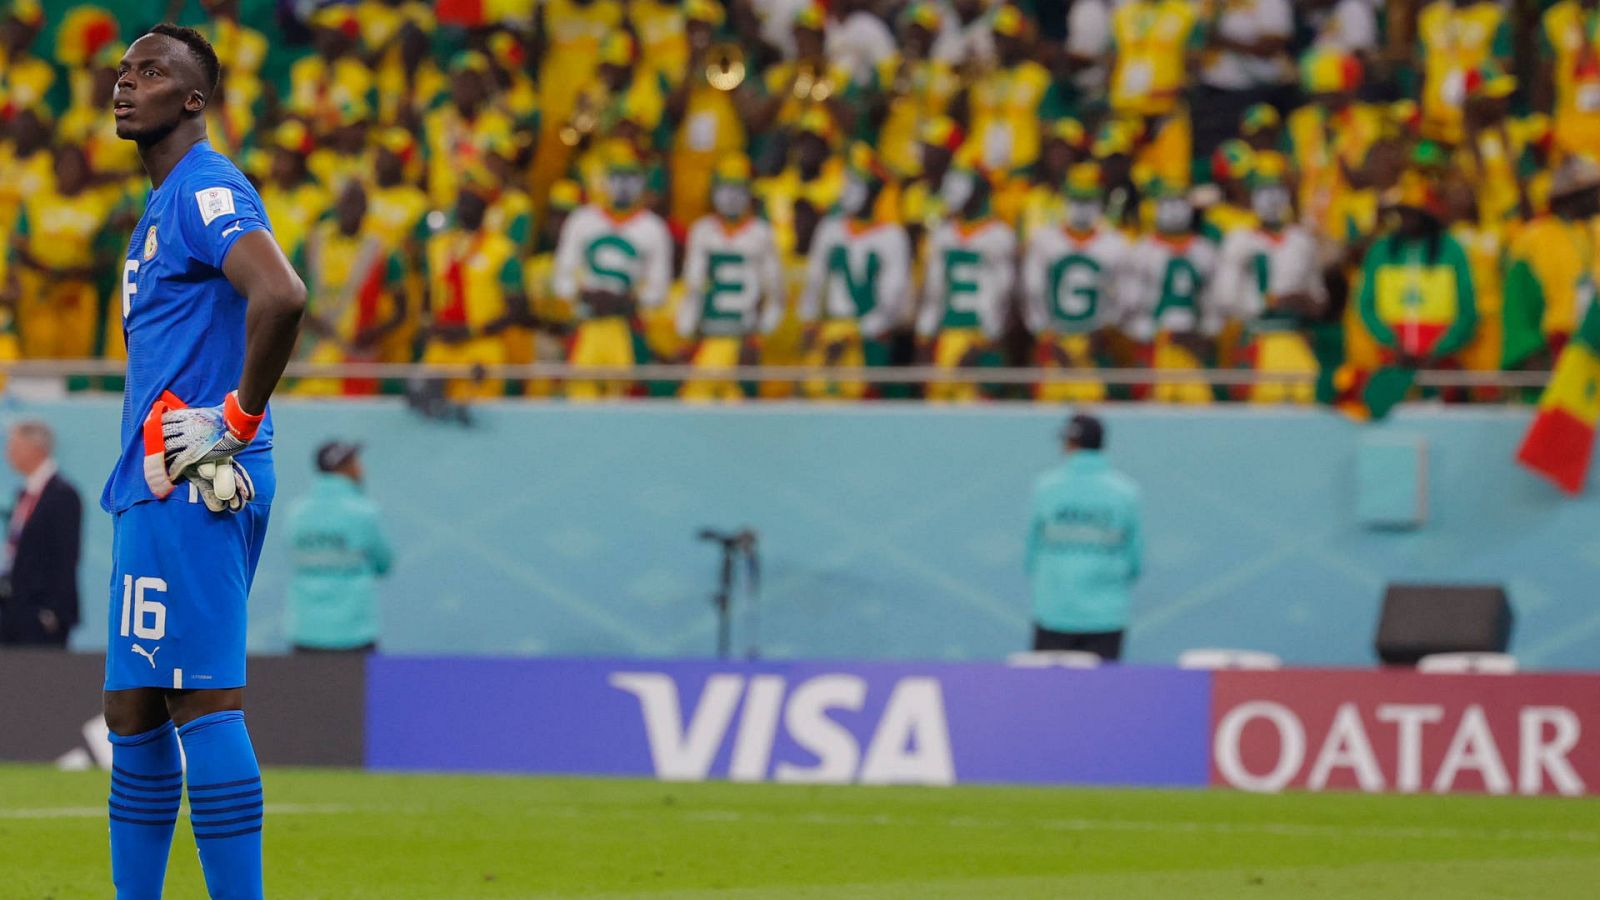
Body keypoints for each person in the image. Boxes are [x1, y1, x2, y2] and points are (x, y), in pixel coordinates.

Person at [102, 25, 305, 900]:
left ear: (194, 100)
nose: (126, 83)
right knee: (134, 710)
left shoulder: (206, 188)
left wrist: (233, 418)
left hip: (195, 477)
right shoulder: (163, 203)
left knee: (199, 699)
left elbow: (282, 293)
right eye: (123, 69)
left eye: (151, 72)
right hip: (153, 480)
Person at [1024, 414, 1141, 662]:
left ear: (1069, 445)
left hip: (1053, 610)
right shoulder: (1126, 492)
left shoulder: (1046, 487)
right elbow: (1135, 559)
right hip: (1107, 614)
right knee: (1102, 697)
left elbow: (1031, 553)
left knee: (1048, 697)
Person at [285, 442, 392, 654]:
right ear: (344, 468)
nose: (361, 468)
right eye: (354, 462)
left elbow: (292, 553)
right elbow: (384, 563)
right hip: (354, 631)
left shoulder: (296, 512)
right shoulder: (364, 512)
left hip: (305, 628)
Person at [0, 420, 81, 647]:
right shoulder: (23, 494)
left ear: (34, 448)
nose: (9, 454)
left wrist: (51, 612)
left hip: (40, 614)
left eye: (14, 446)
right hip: (13, 608)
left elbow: (66, 556)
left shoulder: (62, 495)